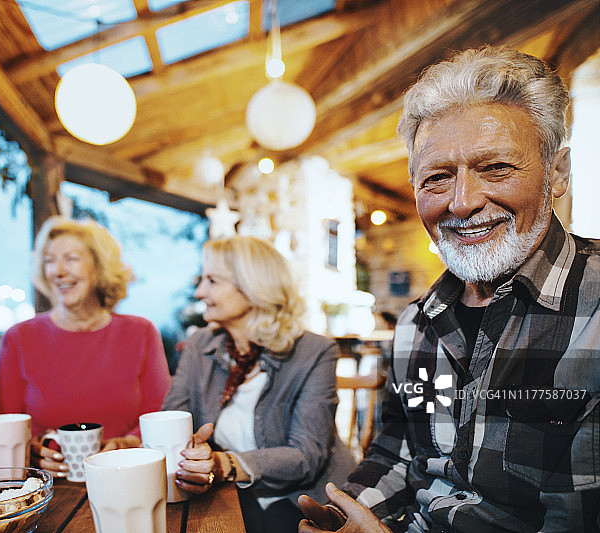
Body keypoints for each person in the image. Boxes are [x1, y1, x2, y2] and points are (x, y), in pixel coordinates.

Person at [299, 46, 600, 532]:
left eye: (496, 168)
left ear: (558, 173)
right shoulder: (413, 325)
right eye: (438, 177)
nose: (462, 202)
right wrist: (347, 513)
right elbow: (395, 452)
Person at [162, 235, 356, 533]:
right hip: (233, 492)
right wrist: (192, 452)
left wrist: (225, 463)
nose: (199, 292)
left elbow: (306, 455)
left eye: (212, 280)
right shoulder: (200, 345)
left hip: (306, 500)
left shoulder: (314, 351)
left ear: (253, 287)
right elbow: (171, 421)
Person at [0, 216, 170, 478]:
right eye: (49, 260)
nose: (57, 271)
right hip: (46, 487)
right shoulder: (19, 338)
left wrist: (128, 443)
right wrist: (33, 451)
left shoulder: (141, 332)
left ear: (99, 266)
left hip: (127, 475)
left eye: (71, 258)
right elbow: (3, 423)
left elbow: (158, 414)